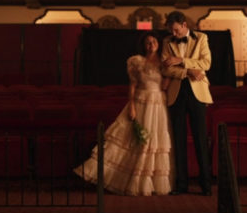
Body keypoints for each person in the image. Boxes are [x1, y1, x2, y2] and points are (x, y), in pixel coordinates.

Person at [74, 31, 175, 196]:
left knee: (156, 142)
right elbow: (132, 86)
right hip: (141, 102)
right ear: (144, 45)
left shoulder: (164, 62)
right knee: (135, 140)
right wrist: (132, 107)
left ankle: (150, 182)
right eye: (148, 42)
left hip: (159, 104)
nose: (151, 45)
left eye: (154, 42)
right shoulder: (136, 61)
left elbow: (164, 86)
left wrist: (169, 72)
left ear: (159, 44)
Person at [161, 11, 213, 196]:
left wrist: (182, 61)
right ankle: (181, 185)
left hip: (197, 94)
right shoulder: (167, 42)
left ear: (184, 25)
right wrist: (188, 71)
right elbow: (165, 69)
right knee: (178, 141)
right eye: (171, 31)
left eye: (176, 30)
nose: (174, 34)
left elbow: (206, 63)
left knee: (200, 139)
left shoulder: (202, 38)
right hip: (176, 94)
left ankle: (206, 185)